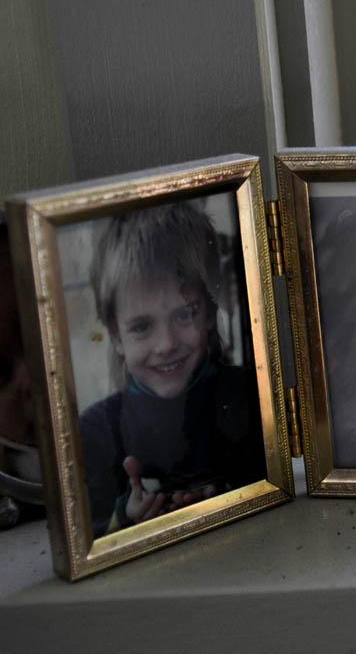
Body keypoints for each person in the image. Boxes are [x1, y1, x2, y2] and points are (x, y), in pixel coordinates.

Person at [80, 203, 264, 539]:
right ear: (116, 335)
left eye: (184, 315)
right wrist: (126, 520)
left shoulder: (252, 396)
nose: (165, 344)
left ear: (210, 313)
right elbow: (88, 534)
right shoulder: (96, 432)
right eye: (142, 326)